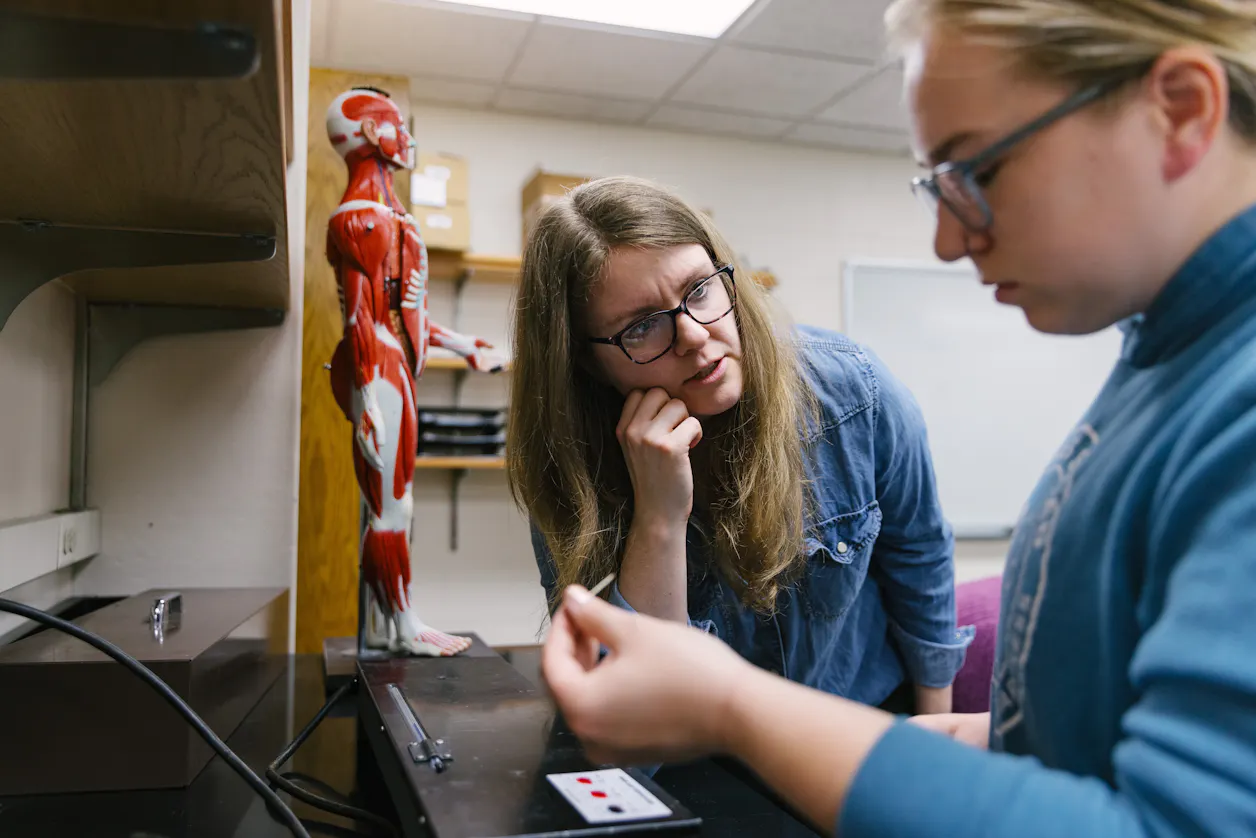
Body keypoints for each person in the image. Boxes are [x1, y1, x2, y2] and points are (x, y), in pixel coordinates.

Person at [540, 0, 1256, 836]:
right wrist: (1000, 743)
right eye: (936, 186)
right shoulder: (1168, 359)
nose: (949, 242)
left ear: (1180, 111)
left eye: (977, 172)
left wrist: (736, 706)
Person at [506, 175, 973, 716]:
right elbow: (631, 713)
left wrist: (935, 737)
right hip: (700, 762)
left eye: (699, 289)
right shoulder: (572, 463)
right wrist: (659, 517)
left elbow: (919, 554)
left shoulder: (853, 393)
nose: (695, 336)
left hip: (855, 727)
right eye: (641, 327)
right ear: (585, 361)